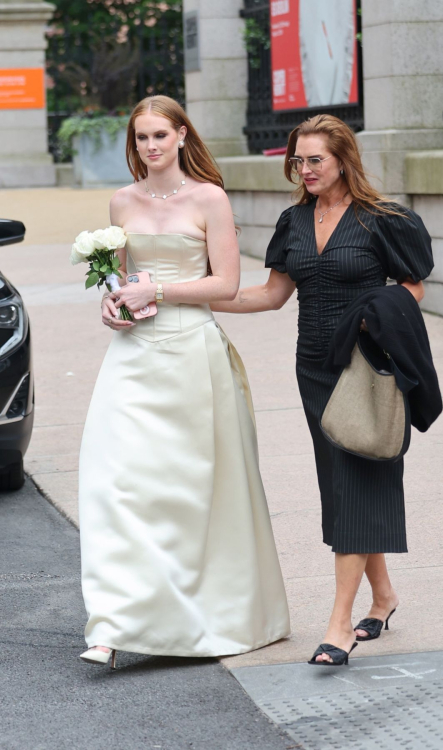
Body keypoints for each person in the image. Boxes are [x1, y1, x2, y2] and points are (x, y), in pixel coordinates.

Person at [211, 114, 434, 666]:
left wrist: (374, 317)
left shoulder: (382, 220)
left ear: (342, 160)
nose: (305, 169)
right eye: (298, 160)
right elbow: (269, 294)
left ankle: (339, 625)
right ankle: (382, 598)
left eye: (315, 160)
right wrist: (191, 299)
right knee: (341, 484)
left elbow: (414, 286)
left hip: (366, 369)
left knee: (359, 482)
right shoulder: (293, 221)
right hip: (313, 369)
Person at [78, 95, 290, 668]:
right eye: (141, 137)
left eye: (159, 136)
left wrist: (162, 292)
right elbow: (124, 282)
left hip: (192, 351)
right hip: (133, 354)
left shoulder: (209, 199)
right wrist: (114, 306)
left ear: (181, 137)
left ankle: (206, 617)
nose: (150, 147)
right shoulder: (122, 201)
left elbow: (225, 284)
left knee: (191, 491)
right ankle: (113, 621)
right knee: (115, 482)